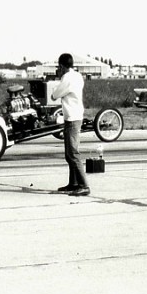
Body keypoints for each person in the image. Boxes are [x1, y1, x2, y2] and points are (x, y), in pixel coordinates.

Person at [50, 53, 90, 196]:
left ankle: (84, 185)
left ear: (61, 66)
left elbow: (55, 95)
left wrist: (55, 88)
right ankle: (73, 184)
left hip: (72, 118)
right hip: (74, 116)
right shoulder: (77, 76)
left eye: (58, 67)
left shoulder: (67, 78)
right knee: (69, 154)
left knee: (73, 153)